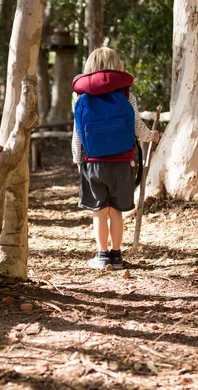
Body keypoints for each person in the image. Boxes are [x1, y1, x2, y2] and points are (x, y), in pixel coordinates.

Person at [71, 47, 159, 269]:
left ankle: (102, 256)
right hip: (122, 163)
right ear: (117, 67)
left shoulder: (82, 97)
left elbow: (78, 133)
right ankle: (117, 256)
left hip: (94, 164)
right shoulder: (127, 95)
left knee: (99, 213)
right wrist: (152, 136)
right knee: (116, 211)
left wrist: (78, 160)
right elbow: (137, 126)